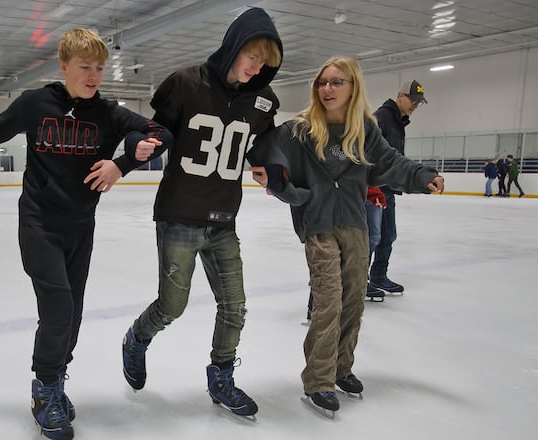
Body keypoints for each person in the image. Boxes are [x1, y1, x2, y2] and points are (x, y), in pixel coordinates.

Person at [0, 28, 172, 440]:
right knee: (59, 308)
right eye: (84, 67)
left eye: (100, 68)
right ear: (63, 65)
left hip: (80, 227)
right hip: (39, 223)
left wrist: (123, 162)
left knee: (74, 314)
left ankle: (56, 382)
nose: (93, 75)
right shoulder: (37, 104)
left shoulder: (108, 111)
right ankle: (44, 390)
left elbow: (160, 134)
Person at [251, 56, 444, 414]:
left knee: (353, 299)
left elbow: (390, 162)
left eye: (337, 82)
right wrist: (287, 188)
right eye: (323, 82)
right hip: (318, 224)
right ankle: (319, 380)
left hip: (354, 222)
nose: (328, 88)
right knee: (329, 302)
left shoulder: (364, 129)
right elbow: (264, 153)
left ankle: (342, 369)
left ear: (353, 87)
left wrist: (421, 176)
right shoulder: (300, 129)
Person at [120, 7, 282, 418]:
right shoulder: (186, 84)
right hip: (179, 216)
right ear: (233, 46)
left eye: (264, 60)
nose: (256, 66)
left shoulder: (263, 102)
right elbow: (156, 130)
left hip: (224, 220)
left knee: (235, 306)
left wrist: (270, 166)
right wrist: (139, 145)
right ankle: (136, 338)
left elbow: (266, 142)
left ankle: (221, 377)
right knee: (171, 307)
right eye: (252, 55)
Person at [365, 79, 427, 295]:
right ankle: (359, 281)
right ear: (400, 96)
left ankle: (379, 275)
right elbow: (372, 154)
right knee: (371, 237)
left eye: (418, 103)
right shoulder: (381, 118)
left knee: (388, 235)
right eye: (412, 100)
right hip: (376, 191)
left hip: (388, 190)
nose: (415, 106)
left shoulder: (398, 121)